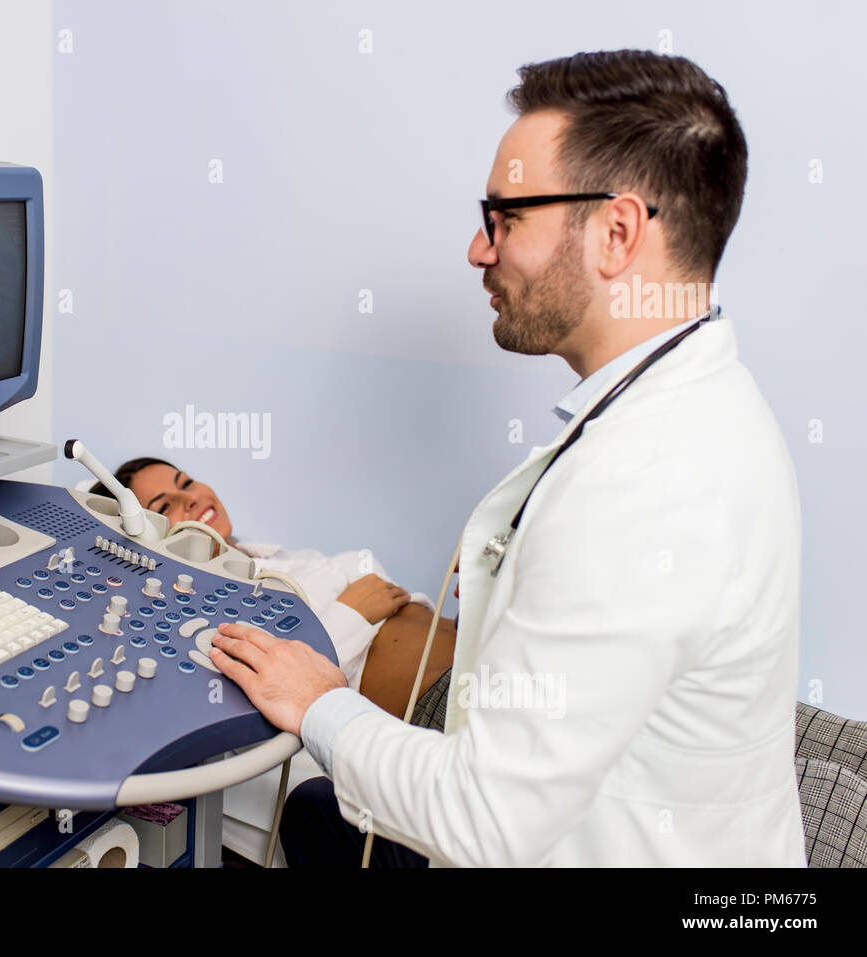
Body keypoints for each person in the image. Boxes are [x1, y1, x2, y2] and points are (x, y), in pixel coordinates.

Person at [207, 50, 807, 867]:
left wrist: (320, 704)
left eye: (505, 217)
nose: (477, 249)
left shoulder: (650, 479)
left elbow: (484, 817)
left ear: (618, 232)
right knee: (320, 815)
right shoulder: (694, 403)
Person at [89, 458, 457, 717]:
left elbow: (370, 575)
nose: (191, 498)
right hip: (447, 701)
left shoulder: (274, 559)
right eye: (165, 504)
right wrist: (353, 614)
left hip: (481, 648)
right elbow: (267, 686)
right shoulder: (200, 614)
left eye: (186, 483)